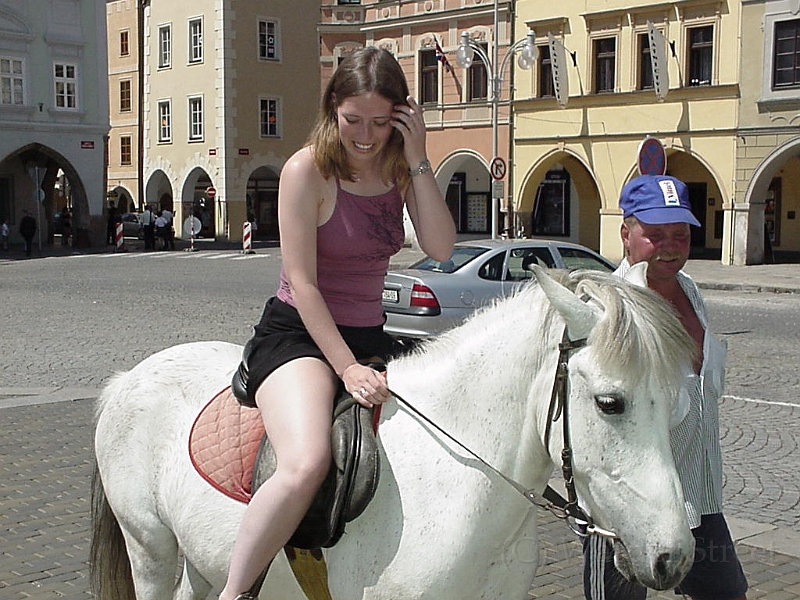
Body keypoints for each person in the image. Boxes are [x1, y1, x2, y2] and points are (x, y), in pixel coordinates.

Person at [219, 46, 455, 600]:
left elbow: (442, 248)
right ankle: (234, 593)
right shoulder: (308, 170)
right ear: (332, 110)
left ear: (401, 115)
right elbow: (302, 283)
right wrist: (346, 368)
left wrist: (419, 156)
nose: (367, 136)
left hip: (370, 334)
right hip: (298, 333)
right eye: (353, 121)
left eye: (380, 121)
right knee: (306, 463)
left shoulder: (400, 170)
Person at [582, 174, 747, 600]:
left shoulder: (691, 291)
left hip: (700, 495)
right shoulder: (607, 308)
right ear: (626, 233)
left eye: (680, 233)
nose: (671, 246)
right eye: (655, 235)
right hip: (628, 506)